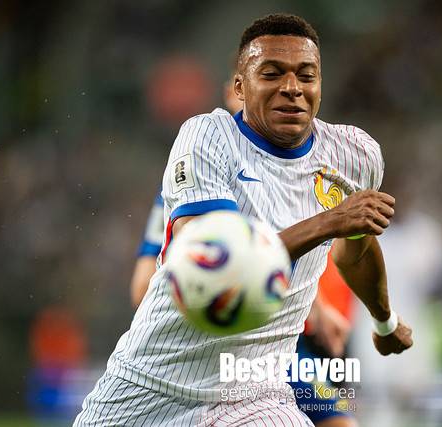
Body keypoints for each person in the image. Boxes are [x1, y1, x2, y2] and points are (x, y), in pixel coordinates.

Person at [75, 13, 412, 426]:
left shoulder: (355, 157)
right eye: (272, 73)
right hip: (152, 385)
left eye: (306, 75)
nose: (292, 87)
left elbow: (354, 252)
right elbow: (222, 263)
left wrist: (384, 321)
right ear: (239, 87)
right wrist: (331, 222)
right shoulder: (207, 138)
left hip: (255, 393)